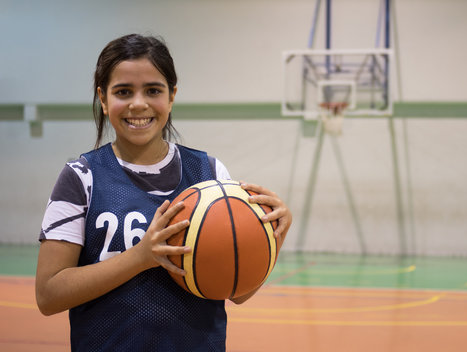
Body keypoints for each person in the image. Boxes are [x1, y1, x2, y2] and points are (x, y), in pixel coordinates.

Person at [35, 33, 292, 351]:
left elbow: (237, 291)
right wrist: (140, 258)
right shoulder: (81, 177)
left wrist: (274, 235)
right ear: (103, 99)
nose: (138, 103)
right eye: (123, 91)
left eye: (153, 90)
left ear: (171, 95)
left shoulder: (209, 174)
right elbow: (48, 295)